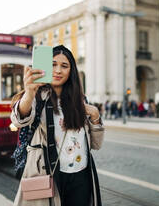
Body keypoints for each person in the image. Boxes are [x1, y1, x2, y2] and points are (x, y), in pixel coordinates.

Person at [11, 45, 103, 206]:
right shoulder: (38, 97)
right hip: (49, 172)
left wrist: (95, 115)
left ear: (71, 71)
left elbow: (95, 144)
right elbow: (19, 119)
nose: (58, 70)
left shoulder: (81, 100)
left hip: (81, 174)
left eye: (64, 66)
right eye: (53, 64)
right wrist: (29, 93)